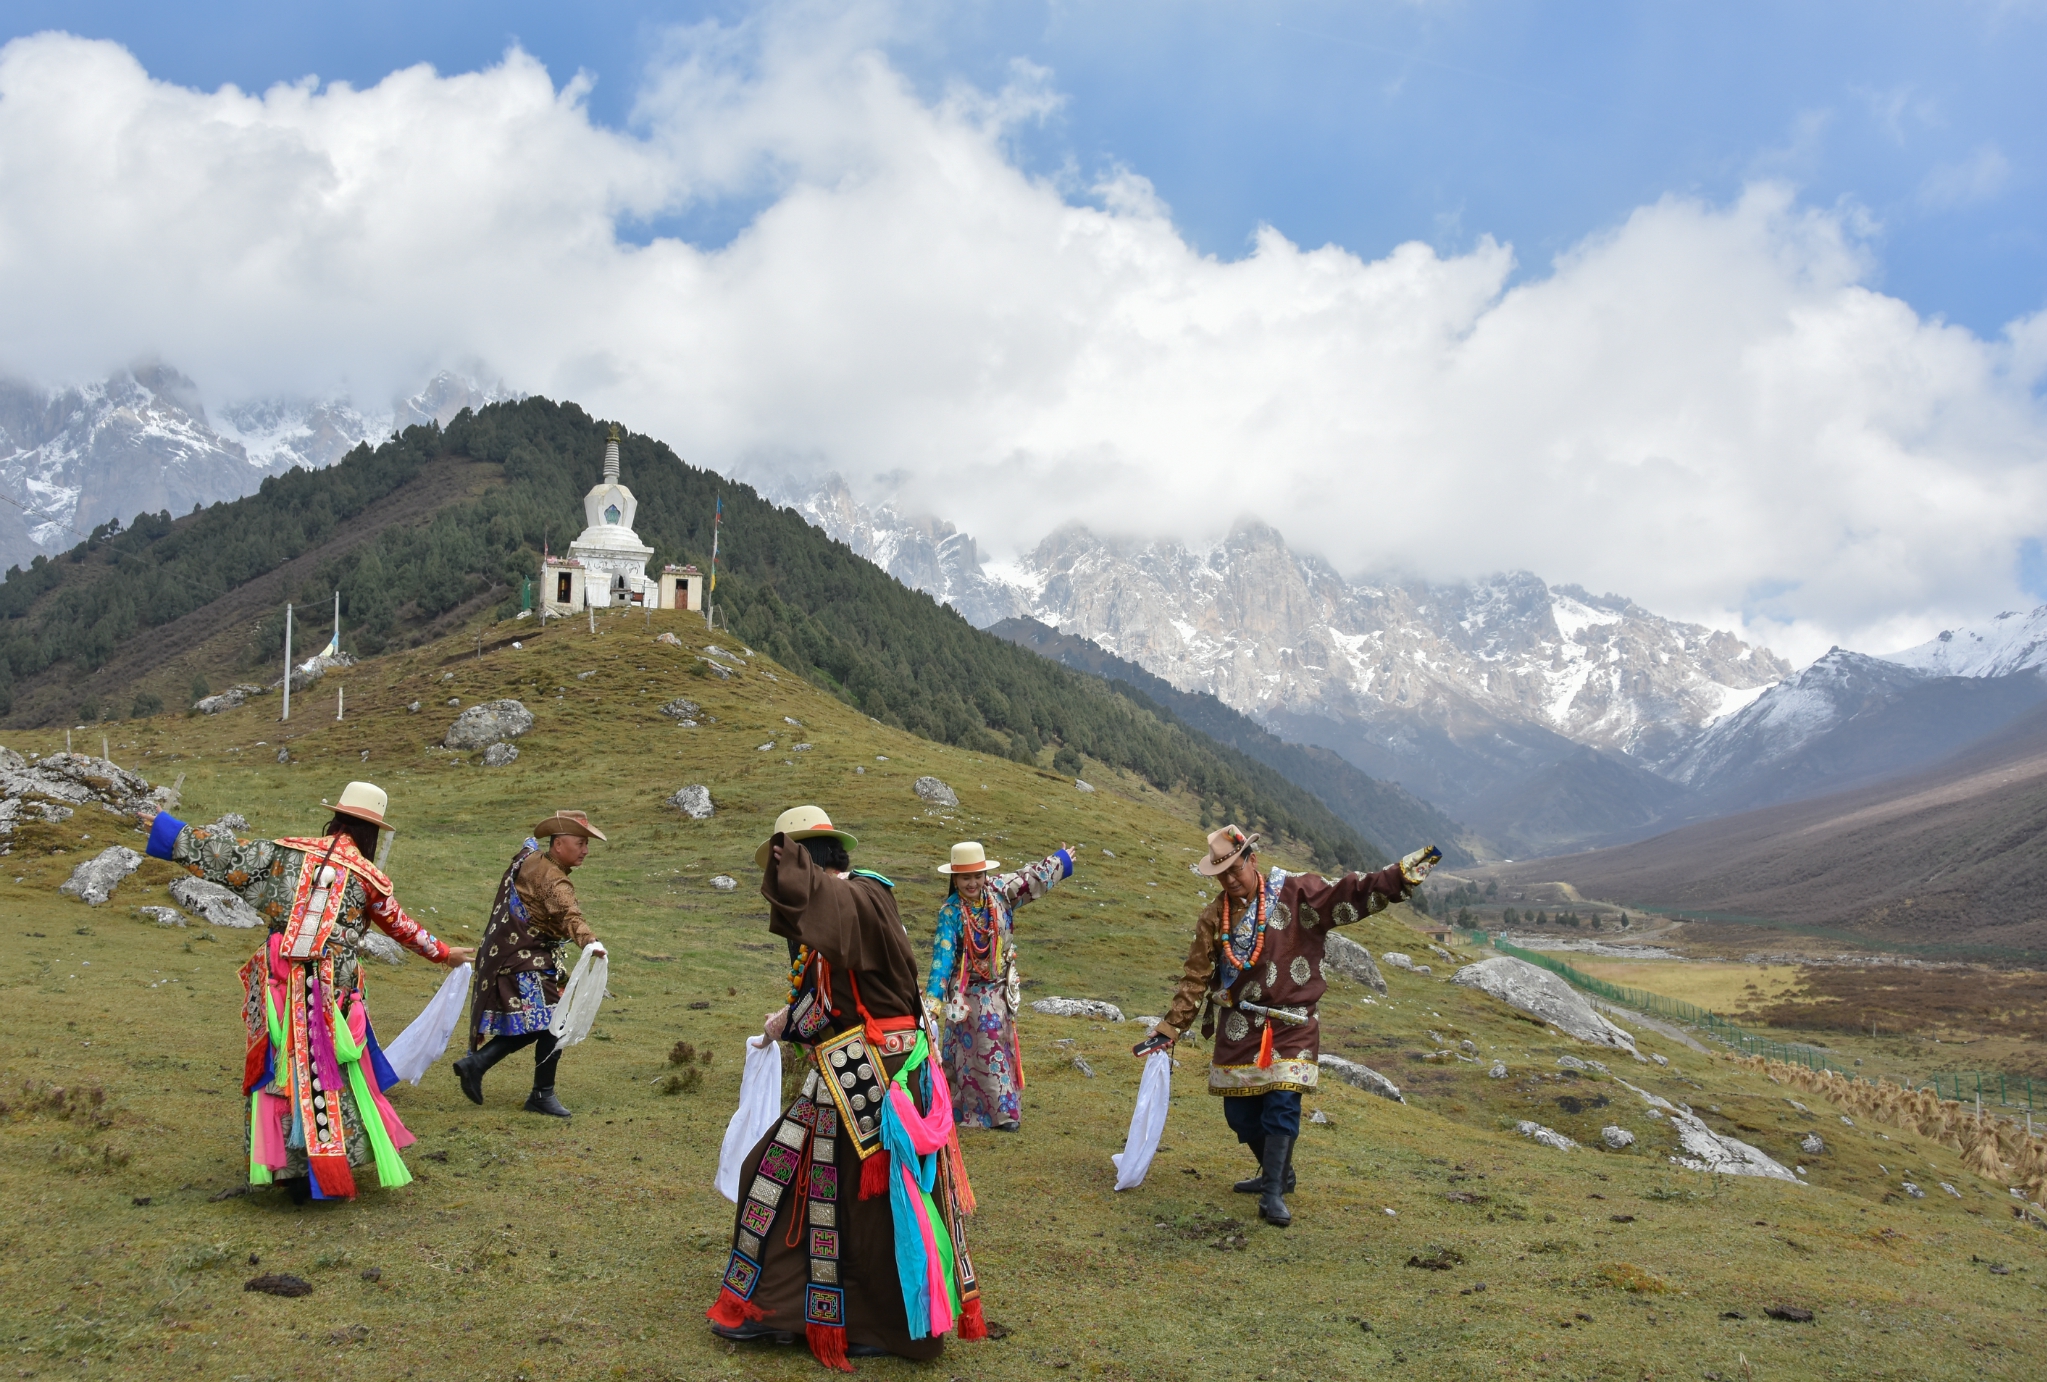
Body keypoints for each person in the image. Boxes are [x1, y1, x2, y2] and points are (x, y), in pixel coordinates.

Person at [707, 805, 987, 1371]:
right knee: (787, 1183)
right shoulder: (843, 908)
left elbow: (848, 965)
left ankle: (879, 1326)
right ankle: (792, 1312)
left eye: (787, 865)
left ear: (806, 860)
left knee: (862, 1209)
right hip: (848, 1073)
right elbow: (833, 997)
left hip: (878, 1083)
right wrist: (786, 1022)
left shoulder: (862, 897)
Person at [137, 782, 472, 1201]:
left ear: (335, 819)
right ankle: (326, 1161)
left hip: (279, 983)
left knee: (282, 1068)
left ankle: (285, 1165)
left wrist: (170, 831)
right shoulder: (370, 877)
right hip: (333, 991)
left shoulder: (285, 853)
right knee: (331, 1071)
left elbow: (225, 854)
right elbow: (402, 926)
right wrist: (443, 953)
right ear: (371, 834)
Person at [1133, 825, 1437, 1228]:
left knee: (1282, 1103)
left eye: (1234, 870)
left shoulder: (1296, 893)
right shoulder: (1213, 917)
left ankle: (1274, 1190)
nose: (1229, 881)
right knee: (1239, 1114)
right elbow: (1196, 977)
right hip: (1240, 1023)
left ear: (1252, 860)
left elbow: (1345, 894)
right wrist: (1169, 1029)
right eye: (1221, 875)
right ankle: (1278, 1171)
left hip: (1292, 1022)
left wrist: (1397, 877)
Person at [455, 809, 609, 1118]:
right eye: (580, 843)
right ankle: (523, 1085)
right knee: (552, 1020)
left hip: (515, 953)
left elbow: (527, 849)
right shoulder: (555, 881)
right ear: (558, 844)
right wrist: (590, 941)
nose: (585, 851)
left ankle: (509, 1078)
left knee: (546, 1021)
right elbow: (569, 915)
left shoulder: (533, 859)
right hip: (526, 957)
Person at [923, 840, 1075, 1131]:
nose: (972, 883)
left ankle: (1000, 1112)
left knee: (999, 1044)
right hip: (967, 993)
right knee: (977, 1050)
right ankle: (985, 1114)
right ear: (954, 878)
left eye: (977, 876)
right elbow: (941, 961)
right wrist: (932, 1006)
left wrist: (1061, 861)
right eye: (965, 877)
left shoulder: (998, 892)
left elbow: (1029, 879)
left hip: (1000, 990)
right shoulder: (950, 913)